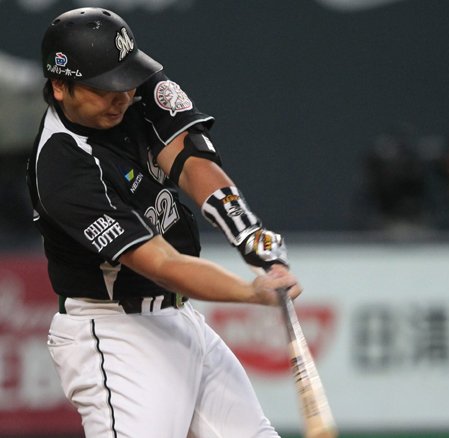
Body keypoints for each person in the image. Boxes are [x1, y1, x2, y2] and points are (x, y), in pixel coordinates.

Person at [27, 7, 301, 438]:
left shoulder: (135, 88)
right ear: (60, 86)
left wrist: (247, 233)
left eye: (126, 79)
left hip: (178, 318)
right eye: (104, 87)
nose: (122, 95)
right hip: (114, 332)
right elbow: (162, 263)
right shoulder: (62, 166)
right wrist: (251, 291)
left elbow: (190, 162)